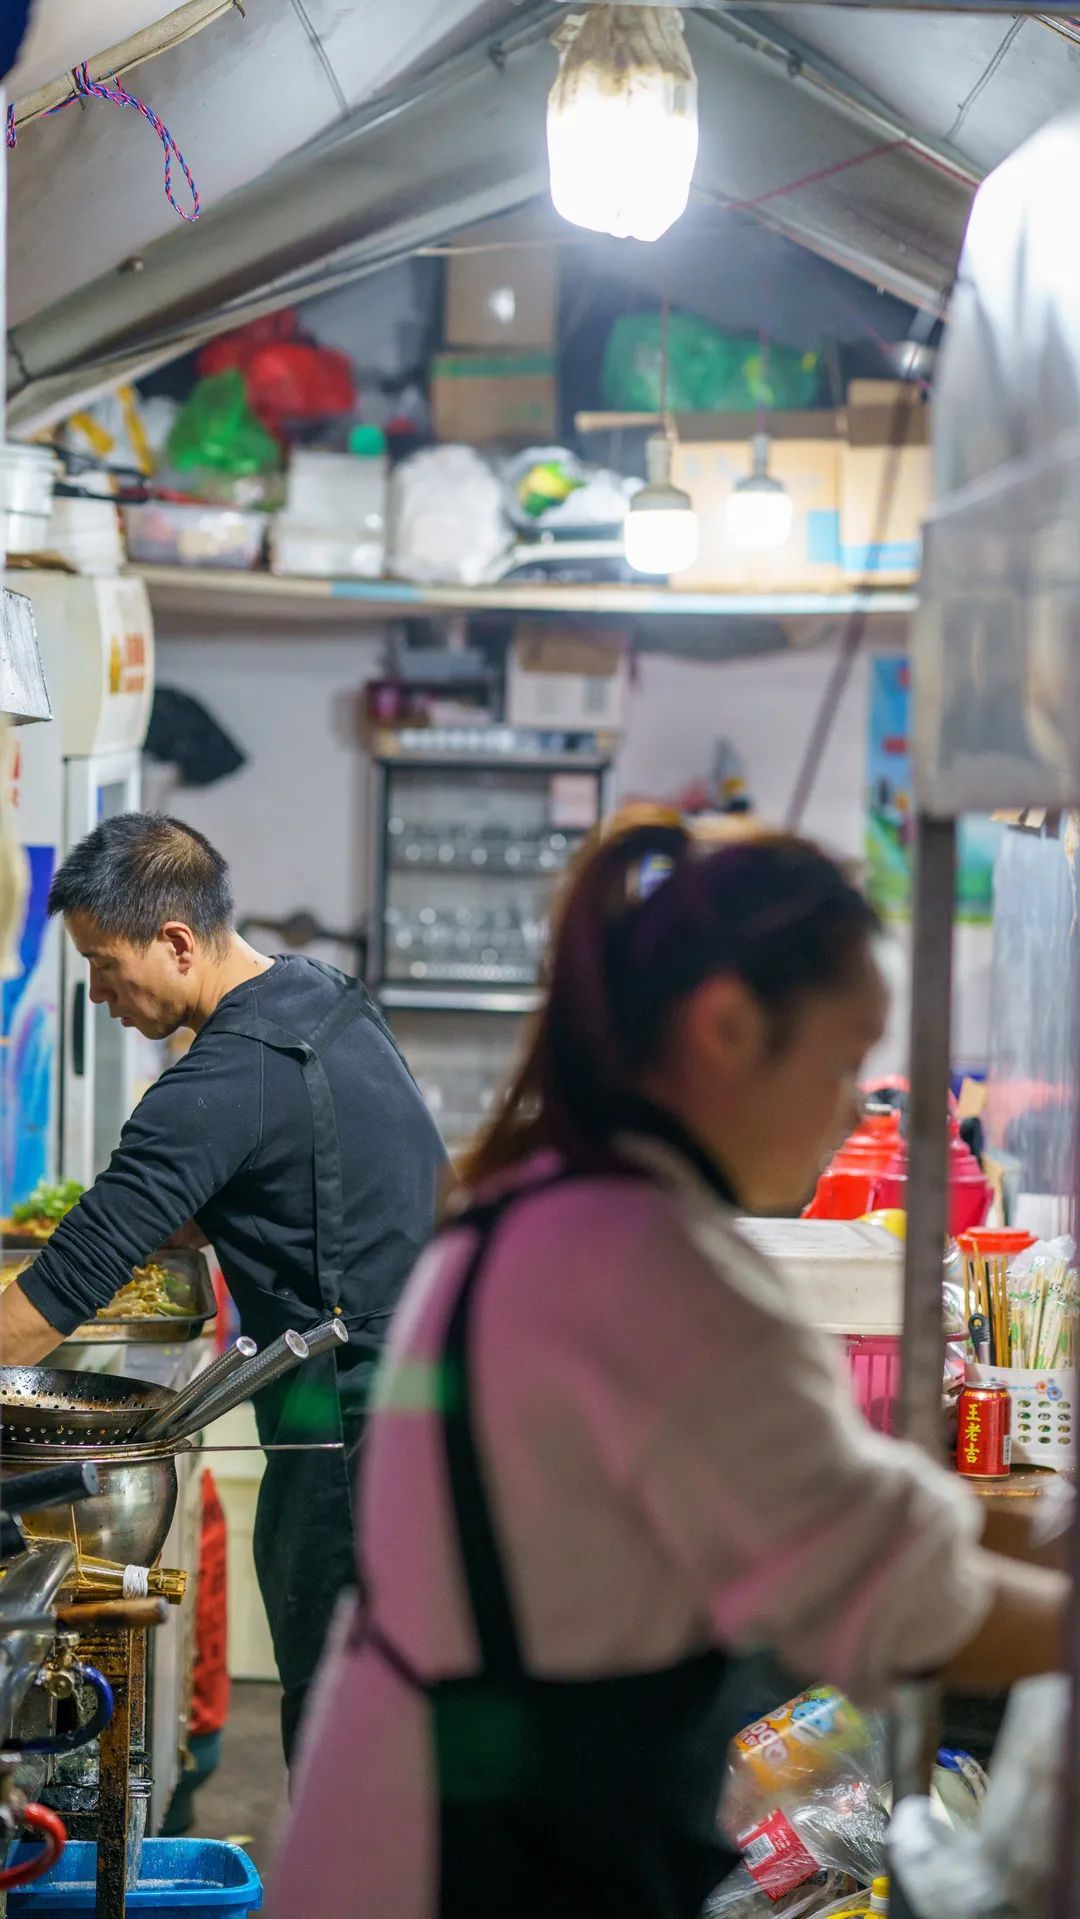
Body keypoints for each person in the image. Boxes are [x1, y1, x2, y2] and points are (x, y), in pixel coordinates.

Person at [270, 809, 1066, 1919]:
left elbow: (879, 1508)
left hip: (420, 1819)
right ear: (729, 1027)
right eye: (845, 1062)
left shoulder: (547, 1199)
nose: (851, 1115)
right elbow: (911, 1594)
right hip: (473, 1859)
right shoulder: (655, 1273)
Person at [0, 813, 447, 1762]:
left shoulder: (219, 1079)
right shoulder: (321, 998)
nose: (99, 992)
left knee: (343, 1734)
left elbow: (59, 1290)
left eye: (104, 963)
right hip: (426, 1404)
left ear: (174, 940)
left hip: (349, 1434)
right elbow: (288, 1173)